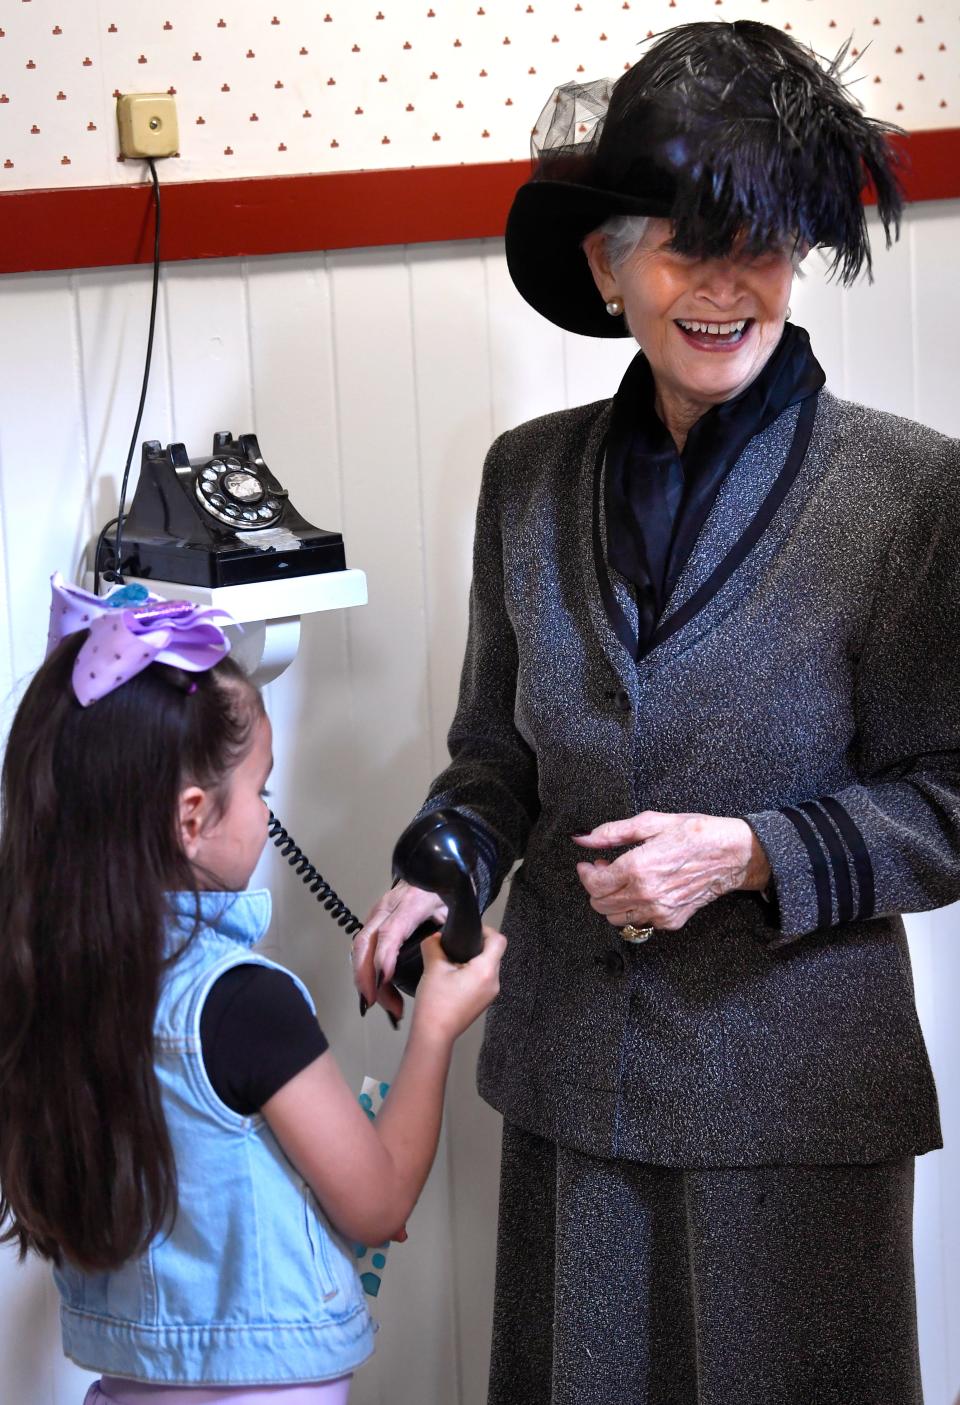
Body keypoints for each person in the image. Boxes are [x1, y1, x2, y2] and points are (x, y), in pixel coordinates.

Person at [352, 20, 960, 1405]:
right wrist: (433, 867)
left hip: (799, 1106)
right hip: (578, 1094)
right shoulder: (525, 480)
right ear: (606, 263)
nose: (729, 288)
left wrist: (744, 854)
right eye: (688, 244)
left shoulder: (911, 495)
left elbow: (954, 796)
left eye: (762, 245)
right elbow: (494, 755)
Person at [0, 575, 504, 1405]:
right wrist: (437, 1026)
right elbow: (377, 1201)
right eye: (262, 791)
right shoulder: (241, 1004)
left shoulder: (43, 980)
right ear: (192, 817)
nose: (269, 814)